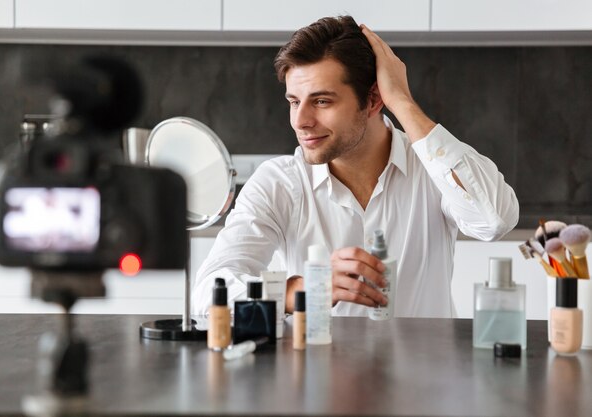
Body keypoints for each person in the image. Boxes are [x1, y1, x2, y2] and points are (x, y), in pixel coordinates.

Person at [192, 16, 519, 318]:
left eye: (322, 101)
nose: (301, 121)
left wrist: (403, 102)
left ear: (374, 100)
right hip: (315, 378)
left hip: (424, 378)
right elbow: (209, 292)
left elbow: (495, 220)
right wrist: (300, 289)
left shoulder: (432, 169)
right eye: (294, 101)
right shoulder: (278, 183)